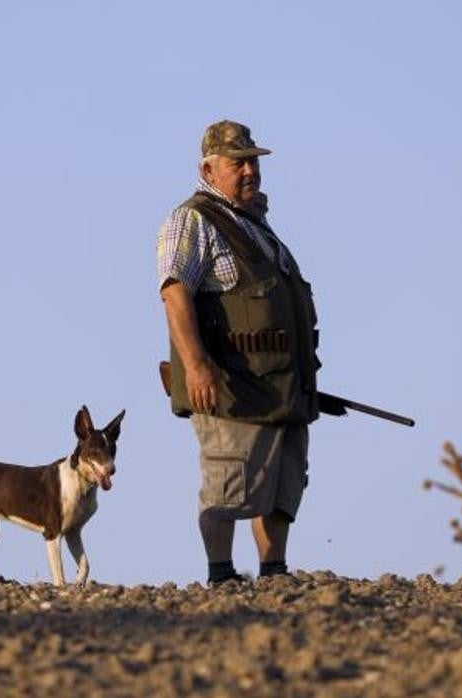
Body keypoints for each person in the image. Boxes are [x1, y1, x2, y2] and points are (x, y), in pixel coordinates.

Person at [156, 120, 321, 585]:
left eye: (253, 161)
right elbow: (174, 293)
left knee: (281, 485)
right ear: (209, 168)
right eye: (238, 162)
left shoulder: (260, 229)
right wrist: (197, 366)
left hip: (281, 388)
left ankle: (274, 573)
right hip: (230, 385)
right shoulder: (191, 220)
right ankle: (221, 575)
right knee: (228, 482)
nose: (250, 171)